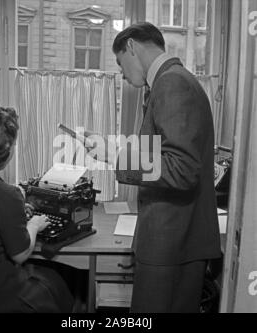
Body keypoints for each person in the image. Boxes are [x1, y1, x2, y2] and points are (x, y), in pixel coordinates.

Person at [80, 22, 222, 313]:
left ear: (131, 46)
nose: (121, 73)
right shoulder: (175, 81)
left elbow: (181, 169)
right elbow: (169, 157)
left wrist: (115, 157)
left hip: (171, 241)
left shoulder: (172, 83)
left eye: (120, 64)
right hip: (175, 238)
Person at [0, 103, 74, 313]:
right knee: (58, 281)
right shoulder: (7, 195)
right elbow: (20, 255)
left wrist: (18, 212)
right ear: (8, 149)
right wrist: (34, 224)